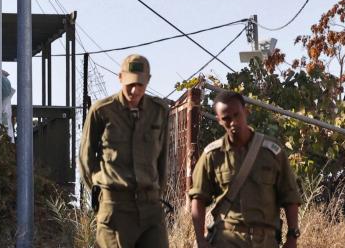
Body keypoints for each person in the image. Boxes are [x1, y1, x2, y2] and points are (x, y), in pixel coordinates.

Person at [189, 90, 302, 248]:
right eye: (226, 119)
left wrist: (292, 237)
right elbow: (198, 199)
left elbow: (290, 197)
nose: (233, 122)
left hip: (265, 240)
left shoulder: (272, 152)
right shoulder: (212, 155)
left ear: (246, 111)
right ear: (219, 120)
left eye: (237, 115)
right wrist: (200, 240)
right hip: (226, 239)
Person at [79, 54, 170, 248]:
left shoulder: (159, 111)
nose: (135, 90)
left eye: (140, 85)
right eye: (130, 84)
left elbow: (162, 157)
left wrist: (155, 191)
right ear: (120, 78)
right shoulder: (102, 111)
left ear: (148, 81)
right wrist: (102, 192)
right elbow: (86, 160)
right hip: (116, 209)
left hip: (151, 207)